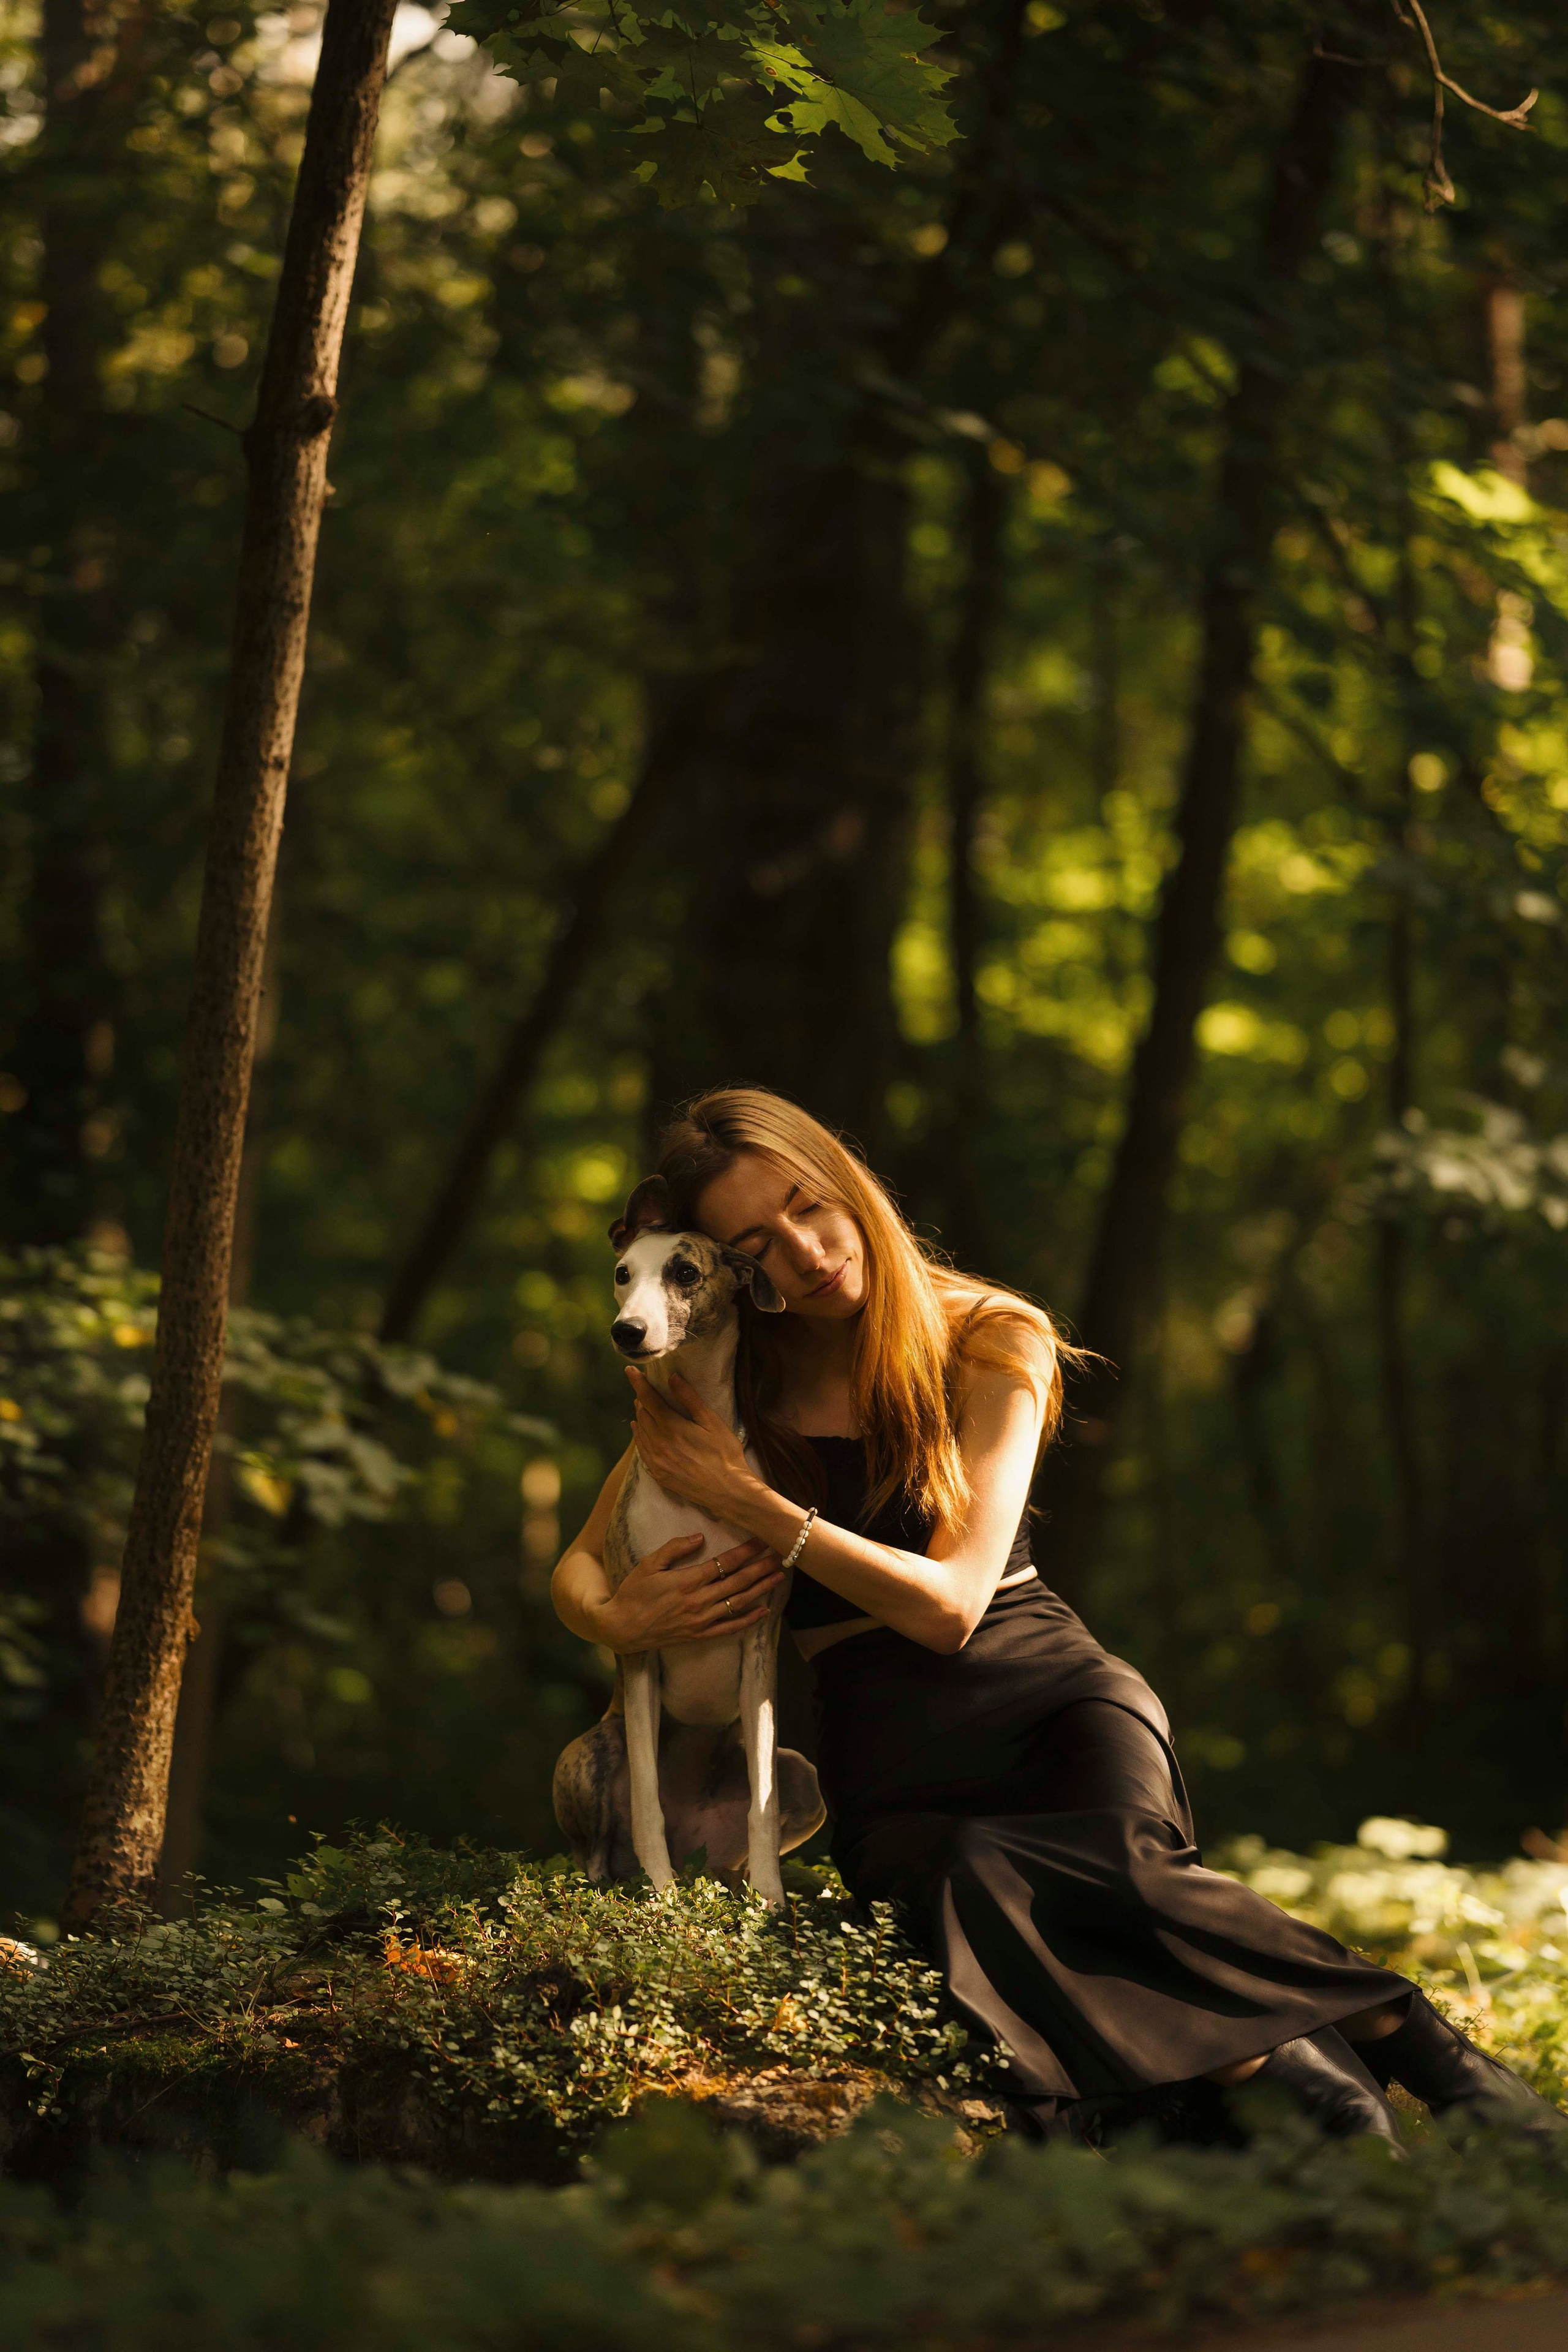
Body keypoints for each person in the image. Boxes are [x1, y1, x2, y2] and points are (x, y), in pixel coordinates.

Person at [551, 1085, 1565, 2150]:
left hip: (1049, 1697)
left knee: (1120, 1874)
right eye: (758, 1243)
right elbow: (580, 1561)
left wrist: (753, 1504)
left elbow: (952, 1607)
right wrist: (618, 1617)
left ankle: (1414, 2049)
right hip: (887, 1748)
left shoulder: (991, 1334)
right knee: (970, 1879)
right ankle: (1310, 2078)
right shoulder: (725, 1379)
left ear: (849, 1185)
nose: (804, 1252)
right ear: (727, 1268)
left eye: (809, 1206)